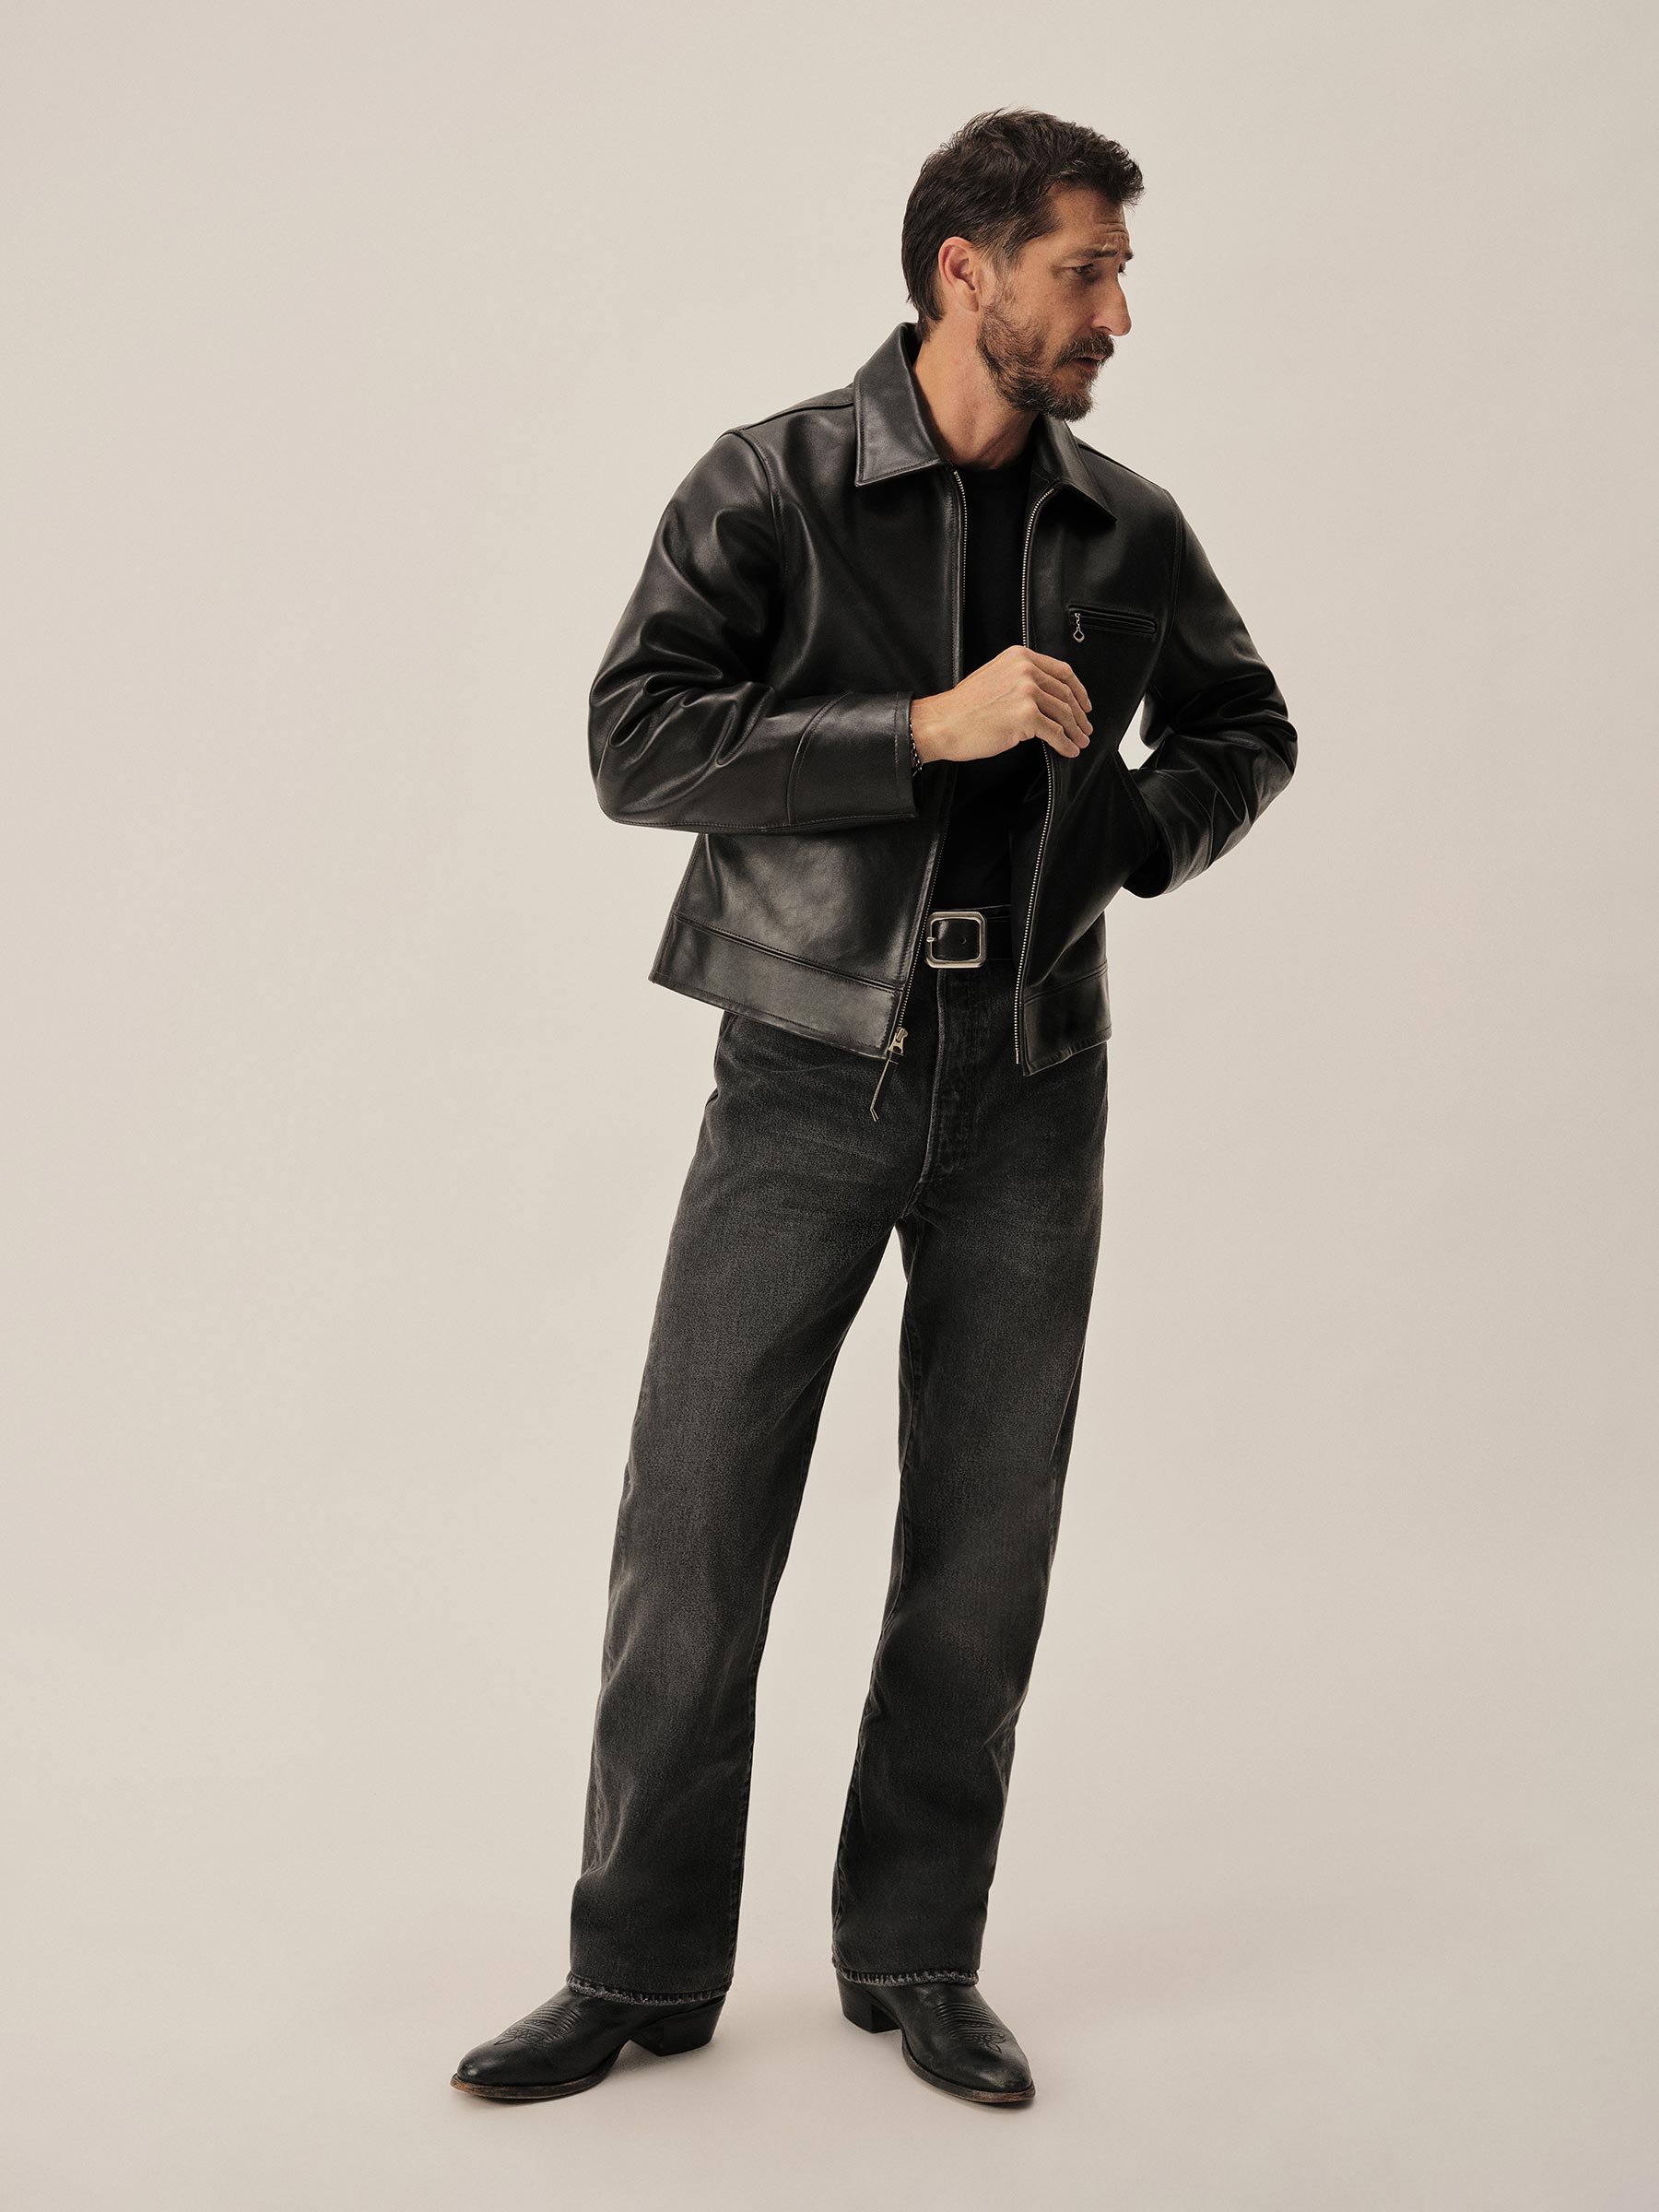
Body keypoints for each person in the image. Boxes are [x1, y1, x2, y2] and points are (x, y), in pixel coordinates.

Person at [452, 105, 1297, 2110]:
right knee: (695, 1533)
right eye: (1086, 269)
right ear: (963, 271)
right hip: (802, 1069)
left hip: (1035, 1082)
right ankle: (639, 1968)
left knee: (984, 1547)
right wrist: (922, 728)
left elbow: (1249, 724)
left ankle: (918, 1954)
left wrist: (1133, 839)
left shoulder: (1129, 527)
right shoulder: (773, 483)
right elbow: (636, 741)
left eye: (1119, 272)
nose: (1117, 313)